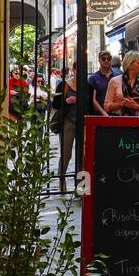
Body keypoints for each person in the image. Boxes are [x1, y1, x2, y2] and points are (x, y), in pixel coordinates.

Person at [104, 50, 139, 116]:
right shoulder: (114, 81)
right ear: (130, 64)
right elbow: (106, 106)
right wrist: (122, 104)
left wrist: (136, 106)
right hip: (119, 123)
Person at [54, 62, 79, 191]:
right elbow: (55, 104)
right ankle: (62, 179)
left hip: (82, 122)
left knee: (83, 154)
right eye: (77, 69)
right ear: (73, 70)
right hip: (67, 121)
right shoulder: (63, 85)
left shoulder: (88, 85)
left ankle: (81, 185)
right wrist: (65, 101)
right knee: (66, 153)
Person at [89, 48, 117, 116]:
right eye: (103, 59)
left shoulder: (118, 75)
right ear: (99, 60)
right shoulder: (93, 78)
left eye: (109, 58)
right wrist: (103, 113)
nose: (106, 60)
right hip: (100, 116)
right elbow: (93, 99)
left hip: (116, 114)